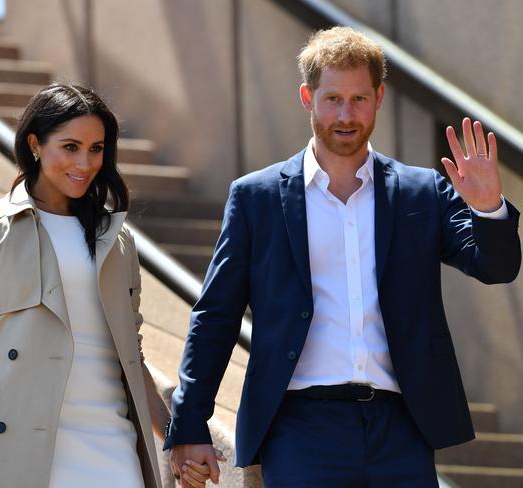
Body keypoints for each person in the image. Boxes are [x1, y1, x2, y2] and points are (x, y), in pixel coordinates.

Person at [164, 27, 521, 487]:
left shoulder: (422, 191)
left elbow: (496, 267)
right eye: (332, 99)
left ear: (379, 97)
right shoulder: (257, 198)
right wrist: (189, 422)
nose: (346, 115)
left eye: (358, 99)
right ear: (306, 97)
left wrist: (489, 207)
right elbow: (215, 315)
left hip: (403, 428)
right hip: (299, 428)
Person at [0, 83, 205, 488]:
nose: (85, 163)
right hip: (9, 440)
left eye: (96, 149)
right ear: (35, 144)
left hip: (110, 442)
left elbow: (130, 353)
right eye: (70, 147)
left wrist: (176, 437)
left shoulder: (116, 239)